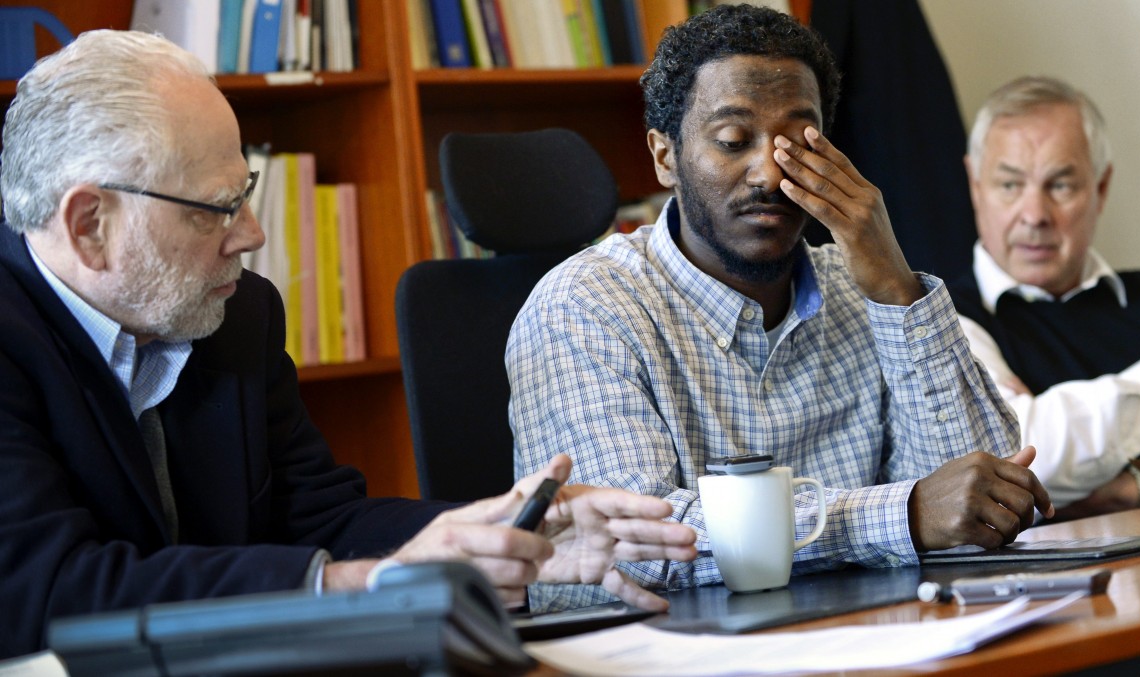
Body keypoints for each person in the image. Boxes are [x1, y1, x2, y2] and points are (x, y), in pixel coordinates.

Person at [0, 29, 697, 658]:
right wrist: (367, 585)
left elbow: (321, 518)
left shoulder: (237, 316)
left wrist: (507, 536)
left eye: (246, 193)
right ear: (90, 223)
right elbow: (44, 593)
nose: (252, 234)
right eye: (217, 208)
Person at [507, 3, 1052, 599]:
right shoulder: (584, 305)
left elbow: (986, 505)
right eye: (733, 140)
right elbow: (638, 544)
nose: (771, 172)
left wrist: (899, 291)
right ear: (666, 157)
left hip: (863, 641)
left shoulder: (862, 292)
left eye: (801, 142)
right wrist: (904, 514)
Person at [949, 75, 1140, 520]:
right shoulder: (945, 321)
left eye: (1060, 186)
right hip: (1041, 590)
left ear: (1100, 189)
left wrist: (1135, 490)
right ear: (974, 185)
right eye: (1010, 185)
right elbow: (1020, 468)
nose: (1035, 215)